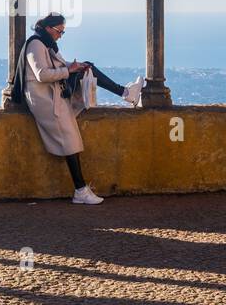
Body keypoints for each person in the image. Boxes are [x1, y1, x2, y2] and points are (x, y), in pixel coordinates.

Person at [11, 12, 142, 205]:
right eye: (59, 31)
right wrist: (68, 70)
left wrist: (74, 67)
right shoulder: (36, 44)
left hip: (53, 94)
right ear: (48, 28)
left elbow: (58, 67)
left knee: (88, 67)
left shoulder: (47, 44)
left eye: (63, 32)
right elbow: (41, 74)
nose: (60, 35)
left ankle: (126, 93)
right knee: (70, 142)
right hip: (45, 100)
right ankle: (80, 190)